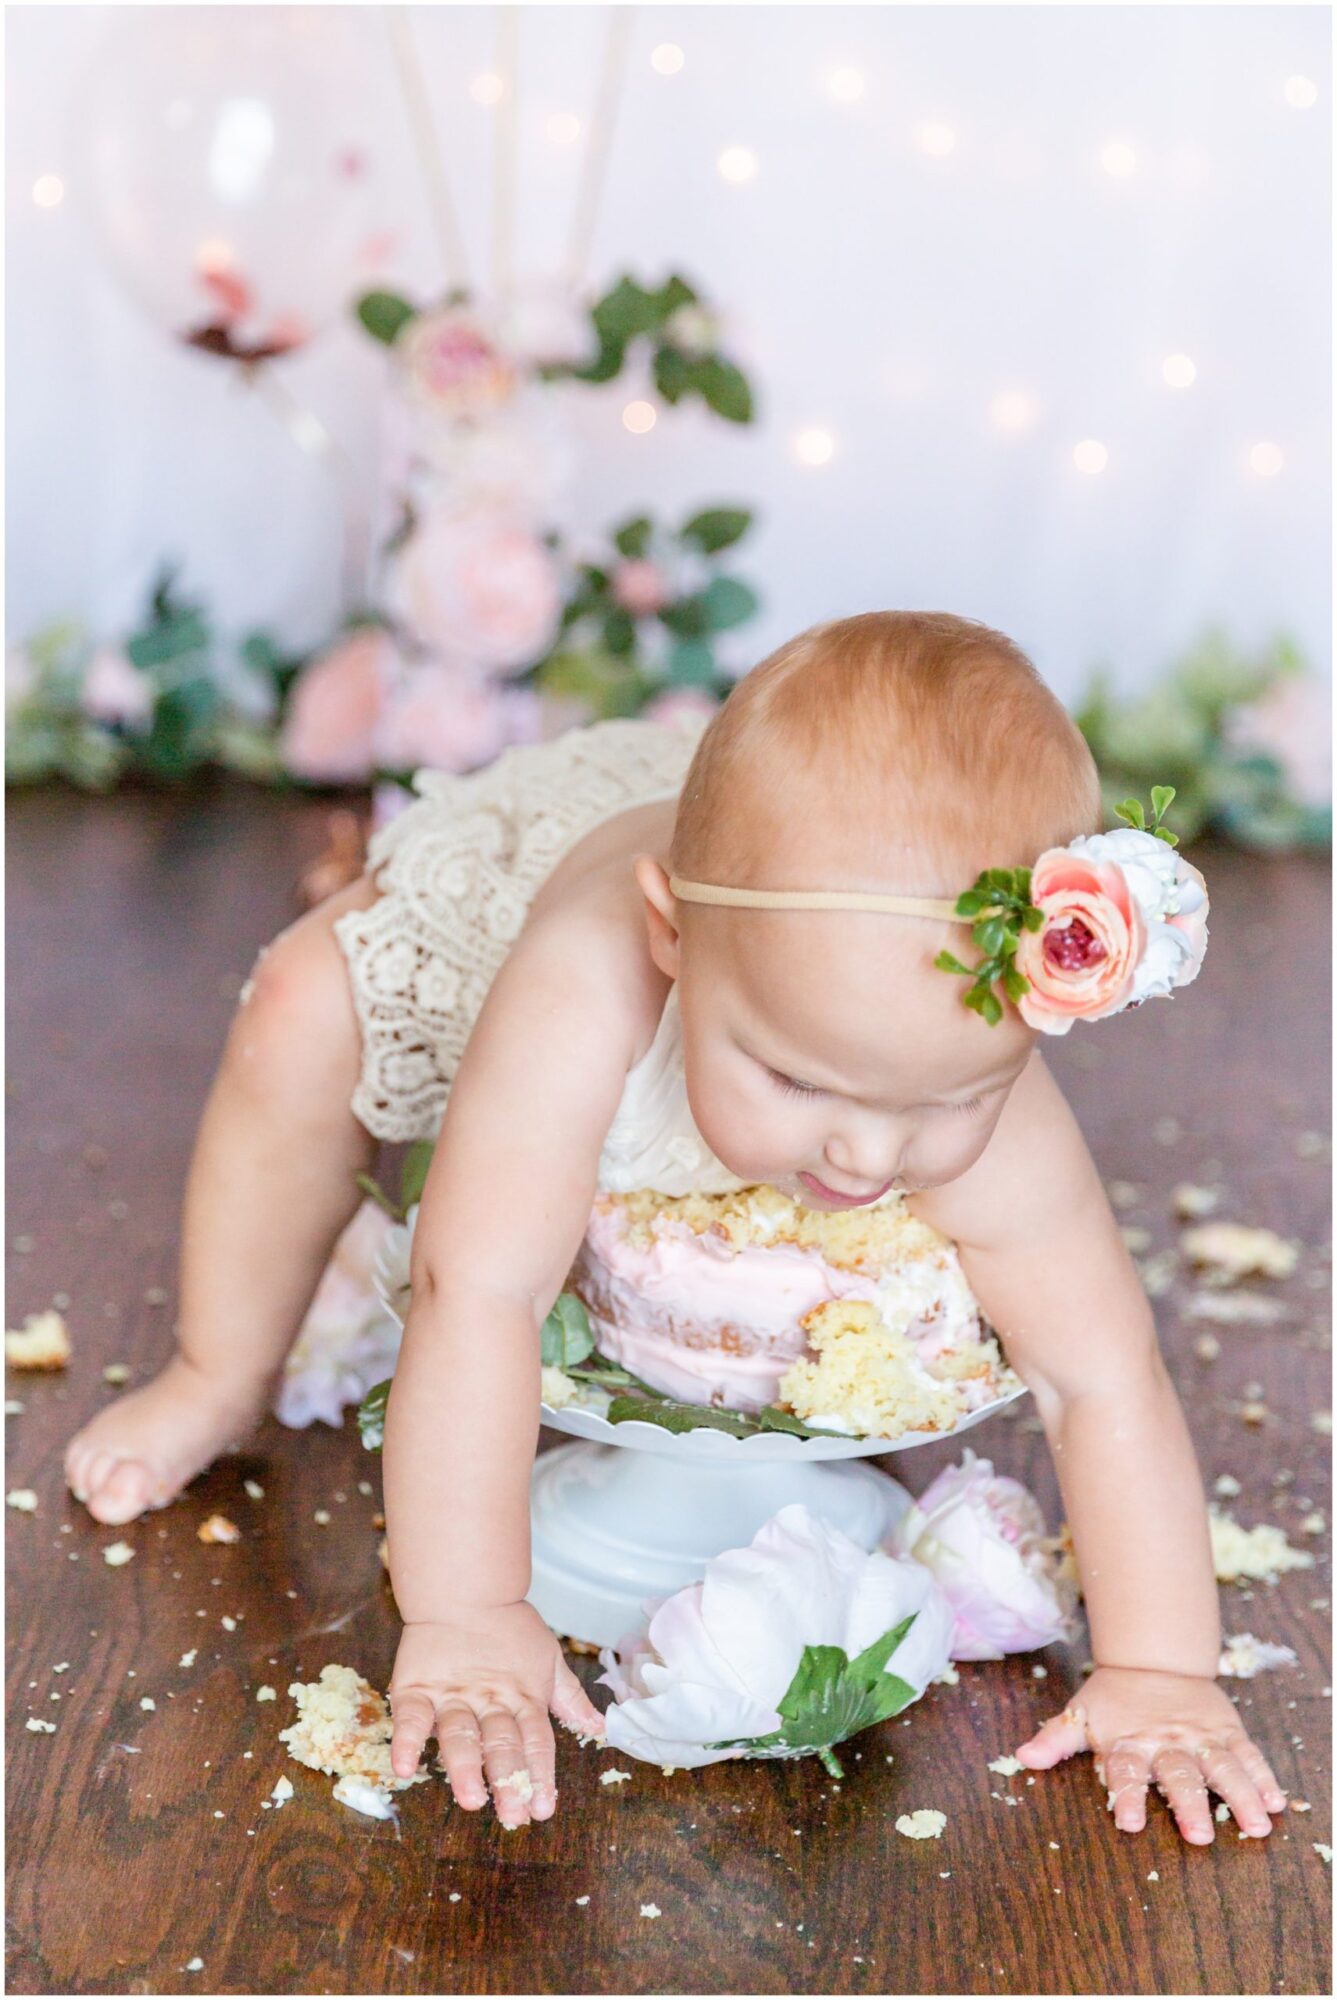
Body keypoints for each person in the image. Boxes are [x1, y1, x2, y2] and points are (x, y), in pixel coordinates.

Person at [64, 611, 1286, 1843]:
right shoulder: (587, 979)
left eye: (943, 1100)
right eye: (800, 1082)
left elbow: (1100, 1373)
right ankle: (216, 1369)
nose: (865, 1157)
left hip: (773, 910)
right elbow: (476, 1290)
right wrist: (469, 1610)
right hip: (540, 883)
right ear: (672, 937)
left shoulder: (942, 1033)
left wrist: (1162, 1671)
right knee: (299, 1007)